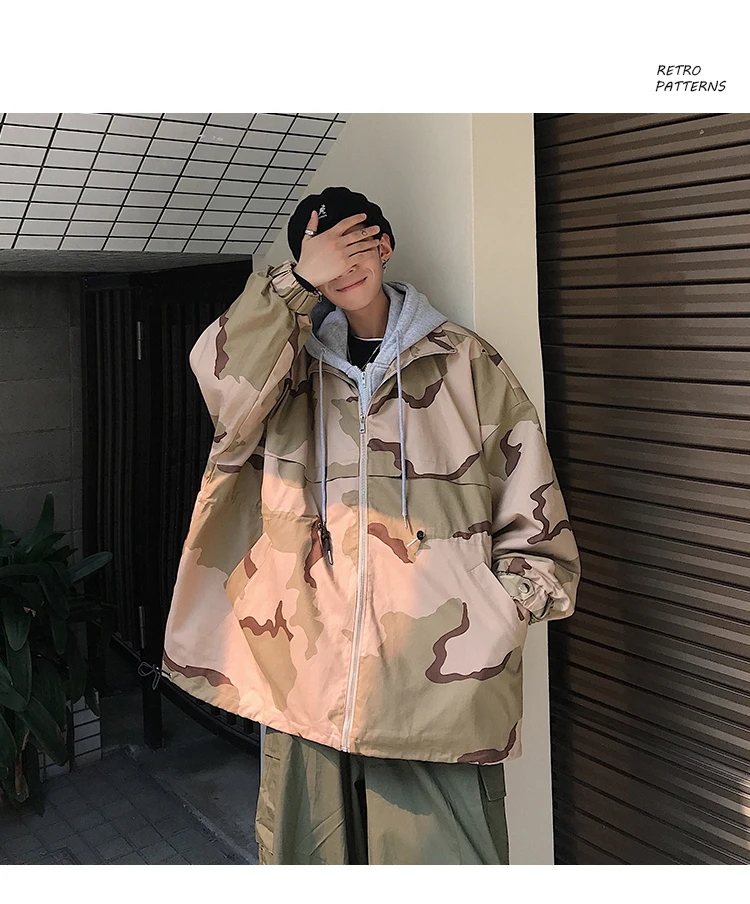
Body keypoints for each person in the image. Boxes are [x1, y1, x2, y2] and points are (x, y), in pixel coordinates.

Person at [161, 185, 580, 865]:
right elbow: (220, 382)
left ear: (383, 246)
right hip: (307, 680)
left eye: (356, 244)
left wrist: (499, 609)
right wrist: (296, 286)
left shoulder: (463, 360)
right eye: (324, 255)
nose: (344, 265)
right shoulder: (287, 370)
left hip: (438, 687)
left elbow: (532, 501)